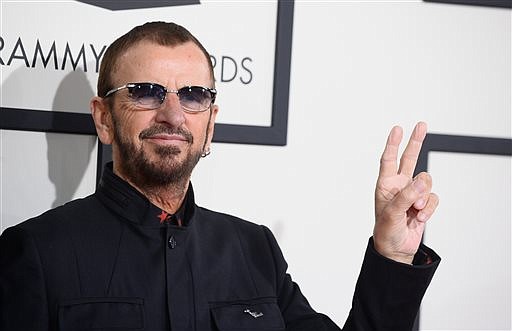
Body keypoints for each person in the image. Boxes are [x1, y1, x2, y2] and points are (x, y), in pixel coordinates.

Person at [0, 22, 440, 331]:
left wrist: (392, 258)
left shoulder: (254, 250)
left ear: (210, 123)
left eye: (193, 96)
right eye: (145, 92)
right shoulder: (36, 252)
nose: (172, 114)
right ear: (104, 119)